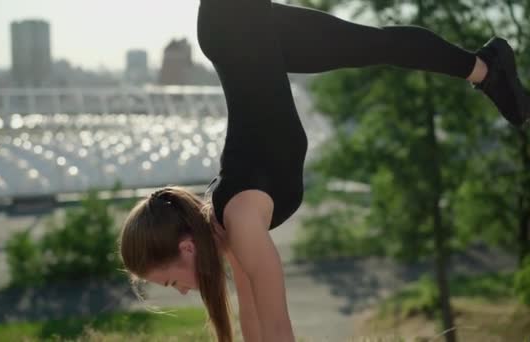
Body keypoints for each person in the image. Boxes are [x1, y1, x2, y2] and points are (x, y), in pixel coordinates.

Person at [118, 1, 530, 341]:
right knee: (377, 45)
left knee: (378, 46)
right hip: (234, 27)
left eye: (173, 283)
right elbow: (256, 325)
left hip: (232, 23)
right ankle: (488, 68)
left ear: (186, 248)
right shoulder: (228, 230)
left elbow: (278, 327)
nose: (185, 291)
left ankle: (489, 70)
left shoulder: (240, 220)